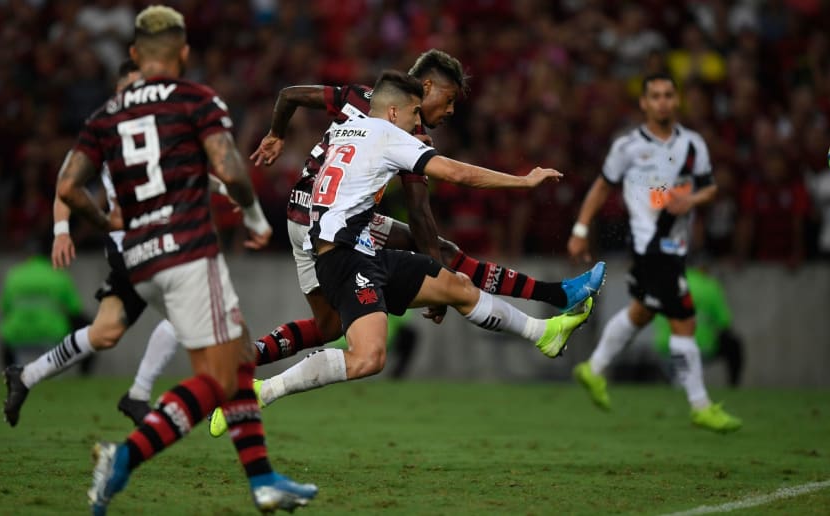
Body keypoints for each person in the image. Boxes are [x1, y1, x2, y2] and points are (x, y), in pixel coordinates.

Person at [207, 50, 605, 436]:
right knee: (370, 354)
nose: (428, 122)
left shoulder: (354, 112)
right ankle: (261, 391)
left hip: (320, 221)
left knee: (451, 285)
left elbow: (290, 95)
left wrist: (277, 134)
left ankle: (544, 332)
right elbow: (448, 184)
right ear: (402, 106)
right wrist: (523, 179)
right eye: (426, 110)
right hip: (340, 246)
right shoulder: (394, 134)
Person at [54, 6, 316, 514]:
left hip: (140, 260)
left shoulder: (105, 115)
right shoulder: (194, 99)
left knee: (231, 365)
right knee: (225, 367)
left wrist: (108, 221)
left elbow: (68, 185)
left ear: (133, 54)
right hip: (189, 251)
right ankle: (126, 457)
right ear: (184, 53)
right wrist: (254, 216)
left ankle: (257, 480)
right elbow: (227, 165)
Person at [1, 59, 180, 429]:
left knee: (104, 332)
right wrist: (61, 230)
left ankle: (27, 376)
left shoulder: (155, 130)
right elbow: (67, 185)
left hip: (148, 240)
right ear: (118, 92)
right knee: (189, 313)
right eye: (130, 87)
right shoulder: (100, 131)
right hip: (132, 243)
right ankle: (138, 395)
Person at [568, 72, 741, 433]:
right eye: (655, 96)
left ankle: (594, 367)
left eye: (668, 95)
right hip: (650, 246)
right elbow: (602, 187)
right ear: (644, 103)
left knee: (643, 311)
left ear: (675, 101)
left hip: (675, 247)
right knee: (685, 320)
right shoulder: (628, 147)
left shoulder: (693, 145)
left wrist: (689, 199)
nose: (662, 101)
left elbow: (709, 188)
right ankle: (700, 405)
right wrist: (581, 229)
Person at [651, 266, 744, 387]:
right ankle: (733, 386)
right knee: (733, 344)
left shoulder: (665, 285)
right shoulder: (709, 286)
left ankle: (673, 381)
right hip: (700, 347)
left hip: (665, 347)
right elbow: (725, 323)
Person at [0, 253, 88, 370]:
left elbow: (4, 308)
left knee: (6, 337)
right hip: (52, 332)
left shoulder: (14, 274)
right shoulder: (58, 275)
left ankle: (9, 375)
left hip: (17, 334)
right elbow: (75, 309)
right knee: (89, 329)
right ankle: (84, 374)